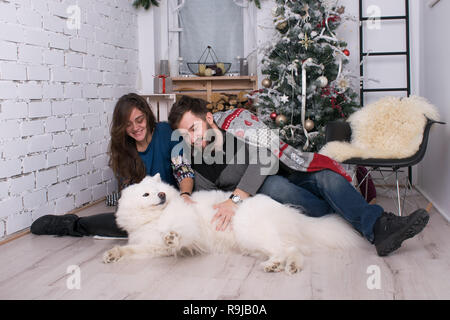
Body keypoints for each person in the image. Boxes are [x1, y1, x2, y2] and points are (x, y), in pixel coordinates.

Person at [167, 95, 430, 257]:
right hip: (272, 191)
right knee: (273, 186)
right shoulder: (193, 159)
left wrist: (235, 199)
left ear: (209, 118)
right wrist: (188, 195)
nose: (193, 137)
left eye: (195, 127)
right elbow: (203, 191)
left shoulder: (238, 125)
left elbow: (267, 156)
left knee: (327, 177)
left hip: (291, 170)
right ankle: (369, 221)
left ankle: (376, 225)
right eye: (186, 134)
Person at [30, 93, 194, 238]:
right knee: (121, 225)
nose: (136, 128)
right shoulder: (123, 148)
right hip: (145, 212)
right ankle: (69, 224)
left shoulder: (167, 133)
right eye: (128, 125)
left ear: (147, 115)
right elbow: (130, 196)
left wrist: (185, 194)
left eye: (139, 120)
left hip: (171, 205)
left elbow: (183, 170)